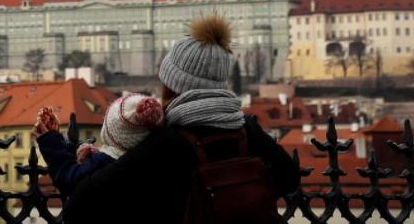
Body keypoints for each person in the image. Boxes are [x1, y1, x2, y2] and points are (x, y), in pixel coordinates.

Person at [62, 14, 300, 223]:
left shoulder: (168, 143)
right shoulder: (247, 130)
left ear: (172, 85)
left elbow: (79, 207)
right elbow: (289, 179)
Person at [33, 93, 165, 195]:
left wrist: (51, 142)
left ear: (109, 132)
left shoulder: (103, 162)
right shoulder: (151, 157)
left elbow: (68, 178)